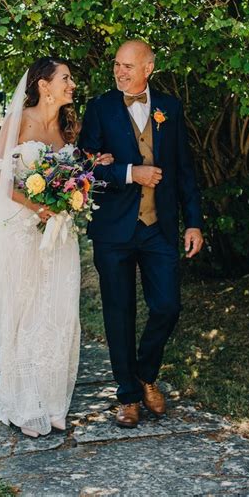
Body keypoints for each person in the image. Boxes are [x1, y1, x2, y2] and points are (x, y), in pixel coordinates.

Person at [0, 57, 112, 438]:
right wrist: (38, 206)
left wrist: (85, 177)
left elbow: (75, 175)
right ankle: (22, 404)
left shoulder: (70, 127)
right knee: (25, 314)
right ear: (44, 85)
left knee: (59, 312)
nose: (72, 85)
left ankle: (53, 404)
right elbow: (1, 182)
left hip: (58, 234)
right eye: (66, 78)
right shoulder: (17, 122)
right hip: (22, 229)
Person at [78, 40, 204, 428]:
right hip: (114, 229)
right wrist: (131, 172)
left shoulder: (171, 108)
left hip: (159, 228)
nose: (119, 72)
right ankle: (128, 396)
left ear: (148, 67)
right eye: (117, 65)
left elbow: (184, 168)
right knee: (119, 314)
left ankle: (146, 373)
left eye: (128, 66)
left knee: (168, 306)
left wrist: (194, 221)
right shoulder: (99, 108)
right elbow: (86, 170)